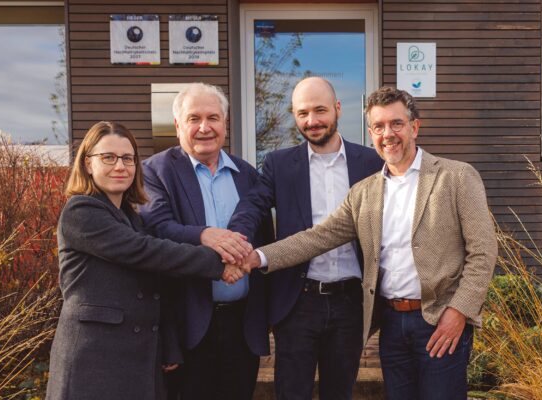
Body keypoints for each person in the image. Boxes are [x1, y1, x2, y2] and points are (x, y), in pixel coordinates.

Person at [238, 87, 498, 400]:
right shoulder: (365, 191)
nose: (388, 134)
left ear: (414, 127)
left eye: (396, 124)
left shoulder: (456, 177)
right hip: (391, 323)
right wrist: (257, 257)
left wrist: (459, 311)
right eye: (378, 127)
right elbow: (317, 237)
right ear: (371, 133)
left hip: (439, 321)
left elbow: (483, 252)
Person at [45, 121, 239, 400]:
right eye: (108, 157)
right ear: (88, 164)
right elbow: (147, 252)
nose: (120, 166)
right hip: (94, 361)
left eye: (128, 158)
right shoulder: (81, 210)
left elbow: (157, 285)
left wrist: (169, 344)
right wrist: (220, 263)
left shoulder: (130, 217)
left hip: (137, 360)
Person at [228, 76, 383, 400]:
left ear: (338, 109)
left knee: (339, 393)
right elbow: (254, 204)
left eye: (320, 110)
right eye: (302, 113)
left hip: (350, 301)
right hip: (297, 300)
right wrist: (234, 239)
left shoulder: (370, 163)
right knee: (291, 392)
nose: (311, 121)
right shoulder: (279, 164)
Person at [139, 83, 273, 400]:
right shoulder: (155, 171)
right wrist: (205, 234)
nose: (204, 127)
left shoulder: (246, 174)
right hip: (189, 324)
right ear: (177, 125)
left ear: (225, 124)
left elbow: (263, 237)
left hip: (243, 325)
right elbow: (156, 228)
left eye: (213, 117)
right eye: (194, 118)